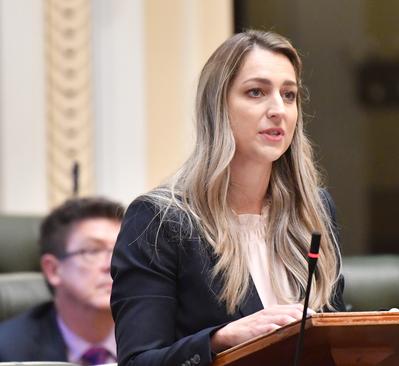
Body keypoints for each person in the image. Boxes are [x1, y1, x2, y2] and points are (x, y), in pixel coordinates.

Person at [110, 30, 345, 366]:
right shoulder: (159, 220)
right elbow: (138, 361)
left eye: (289, 95)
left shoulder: (314, 210)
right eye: (256, 92)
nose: (278, 109)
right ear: (217, 107)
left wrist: (374, 334)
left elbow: (328, 340)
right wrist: (220, 340)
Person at [0, 197, 124, 364]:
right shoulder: (8, 350)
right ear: (53, 270)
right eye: (93, 251)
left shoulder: (161, 337)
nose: (112, 265)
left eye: (122, 251)